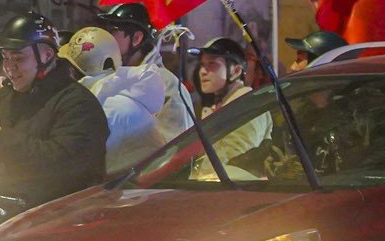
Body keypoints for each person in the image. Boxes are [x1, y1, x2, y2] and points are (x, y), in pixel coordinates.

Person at [0, 14, 109, 208]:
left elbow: (62, 163)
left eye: (18, 58)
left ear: (47, 56)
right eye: (5, 58)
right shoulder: (4, 97)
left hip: (49, 223)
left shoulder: (79, 104)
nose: (9, 67)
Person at [64, 26, 184, 175]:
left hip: (127, 190)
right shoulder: (122, 95)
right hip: (145, 186)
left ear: (73, 71)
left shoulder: (98, 106)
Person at [191, 35, 273, 176]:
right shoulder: (223, 106)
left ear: (236, 71)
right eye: (202, 65)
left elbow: (236, 157)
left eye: (212, 64)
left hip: (236, 191)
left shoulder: (247, 104)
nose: (203, 71)